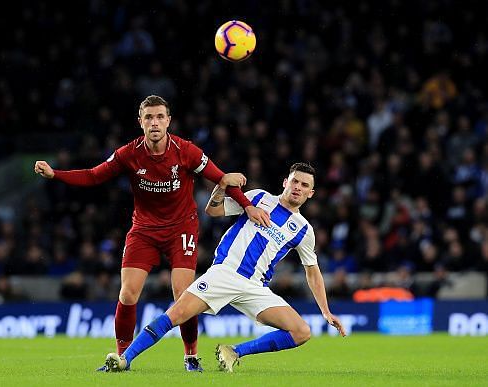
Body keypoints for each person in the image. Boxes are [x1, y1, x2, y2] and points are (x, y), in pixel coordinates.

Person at [34, 95, 270, 372]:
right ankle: (122, 357)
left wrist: (248, 206)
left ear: (168, 121)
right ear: (140, 122)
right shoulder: (128, 154)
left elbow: (223, 179)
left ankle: (191, 357)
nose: (154, 122)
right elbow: (94, 175)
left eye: (160, 117)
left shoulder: (186, 151)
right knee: (128, 294)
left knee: (184, 295)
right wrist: (55, 174)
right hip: (144, 229)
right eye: (149, 117)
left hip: (181, 227)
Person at [102, 162, 346, 373]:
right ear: (285, 182)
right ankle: (125, 359)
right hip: (225, 273)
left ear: (311, 193)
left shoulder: (304, 230)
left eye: (304, 186)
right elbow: (213, 210)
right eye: (295, 181)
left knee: (302, 332)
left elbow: (312, 272)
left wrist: (325, 311)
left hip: (255, 287)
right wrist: (221, 186)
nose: (298, 188)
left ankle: (234, 352)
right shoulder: (258, 197)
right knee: (175, 315)